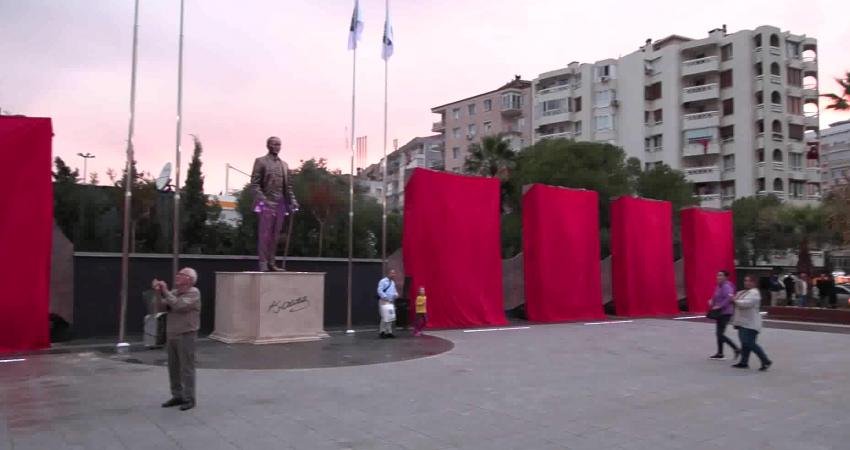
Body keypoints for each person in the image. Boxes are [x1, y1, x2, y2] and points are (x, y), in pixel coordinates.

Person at [152, 267, 201, 411]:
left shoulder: (194, 292)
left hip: (186, 334)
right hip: (172, 334)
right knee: (173, 367)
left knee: (187, 367)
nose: (177, 276)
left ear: (189, 280)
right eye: (178, 273)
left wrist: (166, 291)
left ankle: (189, 398)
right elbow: (159, 307)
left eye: (182, 274)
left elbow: (179, 305)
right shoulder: (174, 292)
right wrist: (158, 291)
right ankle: (177, 395)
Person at [250, 136, 299, 272]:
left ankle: (272, 262)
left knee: (276, 235)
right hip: (265, 204)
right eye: (274, 144)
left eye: (279, 144)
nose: (277, 147)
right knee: (264, 234)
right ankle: (263, 264)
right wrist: (264, 201)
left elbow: (288, 187)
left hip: (280, 204)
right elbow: (254, 185)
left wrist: (293, 201)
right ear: (268, 146)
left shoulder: (284, 165)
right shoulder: (260, 162)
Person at [731, 275, 772, 371]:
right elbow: (735, 298)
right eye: (745, 280)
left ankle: (765, 360)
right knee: (745, 343)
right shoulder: (743, 292)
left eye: (749, 281)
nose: (746, 282)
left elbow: (747, 303)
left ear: (754, 283)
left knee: (748, 343)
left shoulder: (754, 293)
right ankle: (744, 362)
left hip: (751, 323)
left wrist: (735, 301)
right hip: (743, 322)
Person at [708, 271, 740, 361]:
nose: (718, 277)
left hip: (726, 313)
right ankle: (720, 353)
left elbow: (729, 298)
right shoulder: (718, 286)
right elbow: (715, 296)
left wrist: (720, 305)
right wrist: (712, 301)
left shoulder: (727, 286)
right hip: (719, 312)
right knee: (719, 333)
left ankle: (736, 348)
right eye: (717, 275)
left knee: (719, 334)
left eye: (720, 275)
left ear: (726, 277)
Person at [377, 269, 399, 338]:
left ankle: (389, 332)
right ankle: (382, 332)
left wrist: (396, 294)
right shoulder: (383, 281)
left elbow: (394, 291)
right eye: (392, 273)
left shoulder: (393, 282)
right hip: (384, 301)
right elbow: (379, 290)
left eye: (394, 273)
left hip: (391, 301)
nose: (393, 275)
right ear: (388, 274)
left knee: (390, 317)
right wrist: (385, 297)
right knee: (384, 316)